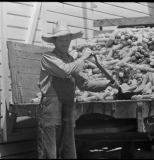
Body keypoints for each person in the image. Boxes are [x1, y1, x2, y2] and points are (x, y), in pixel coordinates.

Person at [37, 21, 117, 159]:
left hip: (67, 112)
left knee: (67, 152)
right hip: (50, 111)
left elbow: (84, 83)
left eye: (67, 40)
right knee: (49, 153)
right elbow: (65, 71)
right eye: (61, 40)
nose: (64, 43)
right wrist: (83, 57)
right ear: (54, 41)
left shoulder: (71, 59)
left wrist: (108, 83)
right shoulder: (48, 57)